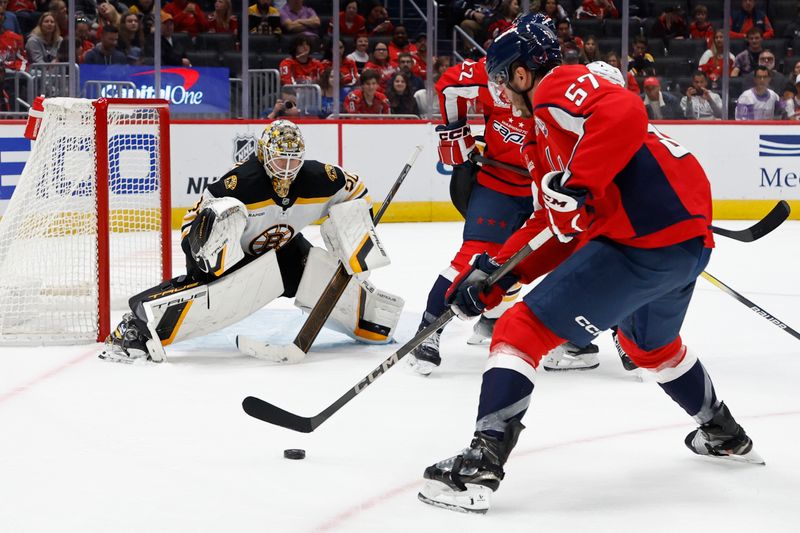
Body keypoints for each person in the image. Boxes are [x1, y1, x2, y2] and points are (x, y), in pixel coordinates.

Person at [418, 17, 763, 515]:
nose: (501, 93)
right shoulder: (542, 137)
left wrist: (579, 183)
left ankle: (481, 466)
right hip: (683, 244)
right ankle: (723, 432)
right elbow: (556, 227)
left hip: (643, 237)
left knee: (520, 330)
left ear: (520, 75)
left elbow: (624, 109)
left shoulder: (556, 85)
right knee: (650, 347)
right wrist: (495, 276)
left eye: (502, 80)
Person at [99, 120, 403, 364]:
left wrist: (353, 241)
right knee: (223, 289)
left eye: (292, 160)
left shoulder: (320, 177)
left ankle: (370, 321)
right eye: (279, 159)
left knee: (316, 273)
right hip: (218, 250)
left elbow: (356, 192)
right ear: (263, 154)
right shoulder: (241, 183)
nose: (286, 168)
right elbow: (200, 219)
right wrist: (210, 260)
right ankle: (137, 324)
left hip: (282, 249)